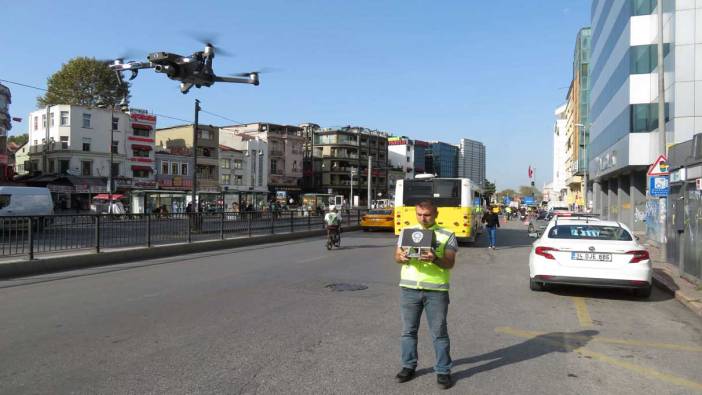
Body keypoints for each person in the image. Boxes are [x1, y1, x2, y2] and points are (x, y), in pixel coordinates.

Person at [394, 200, 457, 390]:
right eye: (419, 214)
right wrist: (401, 257)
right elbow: (396, 256)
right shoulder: (407, 232)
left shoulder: (447, 234)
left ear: (436, 214)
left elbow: (450, 263)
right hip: (409, 289)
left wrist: (436, 258)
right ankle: (408, 366)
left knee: (439, 333)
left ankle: (443, 371)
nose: (423, 218)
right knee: (408, 331)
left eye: (427, 214)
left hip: (436, 291)